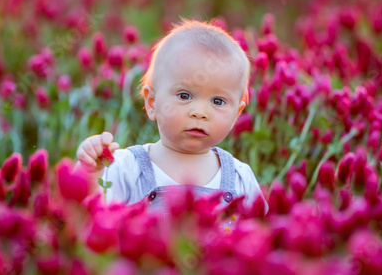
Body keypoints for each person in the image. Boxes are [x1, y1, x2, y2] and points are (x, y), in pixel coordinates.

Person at [74, 19, 267, 214]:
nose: (199, 112)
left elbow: (262, 232)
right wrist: (91, 174)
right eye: (184, 96)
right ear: (151, 103)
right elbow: (92, 214)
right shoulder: (126, 168)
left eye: (218, 101)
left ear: (237, 114)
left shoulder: (239, 177)